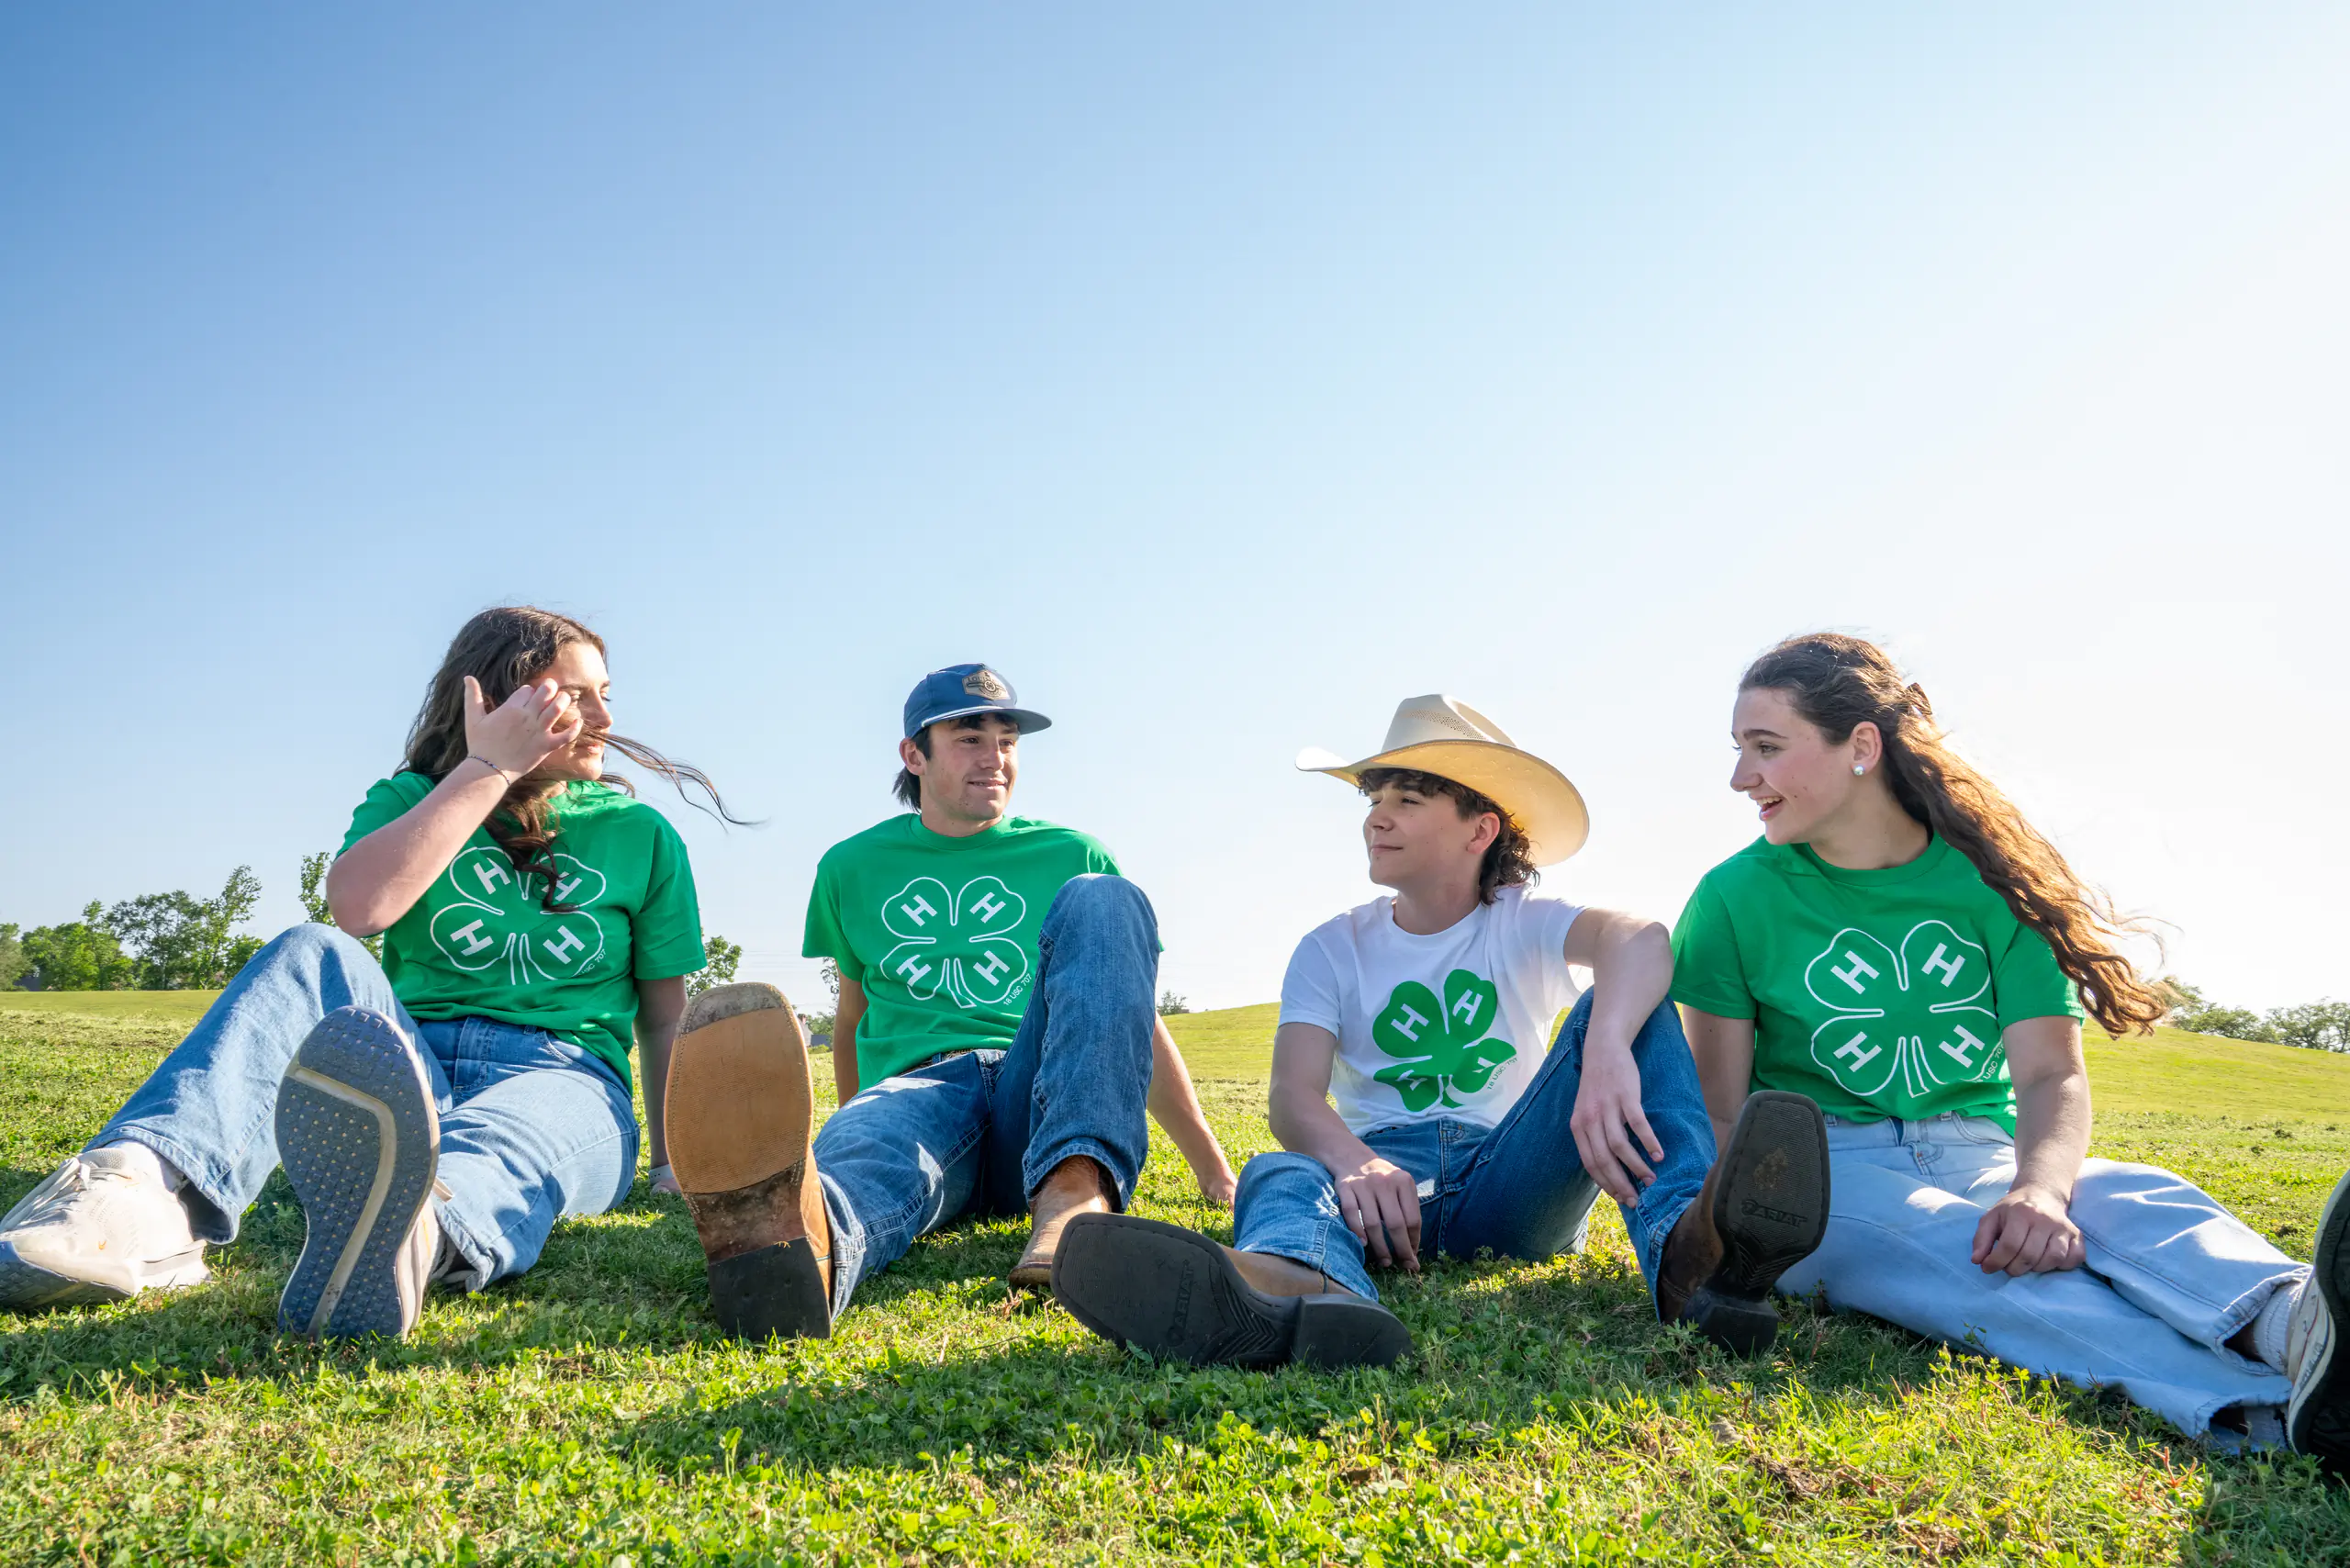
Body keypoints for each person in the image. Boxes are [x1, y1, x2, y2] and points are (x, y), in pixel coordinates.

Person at [1672, 631, 2349, 1465]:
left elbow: (2050, 1072)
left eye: (1766, 749)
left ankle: (2300, 1326)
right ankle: (2259, 1410)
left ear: (1861, 746)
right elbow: (1726, 1113)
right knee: (1959, 1254)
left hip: (1978, 1149)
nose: (1743, 779)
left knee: (2140, 1200)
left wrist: (2038, 1190)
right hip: (1818, 1174)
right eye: (1741, 752)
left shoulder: (1987, 880)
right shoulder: (1731, 898)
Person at [0, 606, 727, 1339]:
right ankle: (136, 1196)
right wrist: (489, 769)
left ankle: (416, 1233)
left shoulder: (642, 836)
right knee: (311, 950)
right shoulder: (412, 798)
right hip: (403, 1071)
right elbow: (361, 909)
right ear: (495, 702)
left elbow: (664, 1015)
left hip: (566, 1078)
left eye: (607, 693)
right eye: (574, 694)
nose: (603, 715)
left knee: (513, 1138)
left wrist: (673, 1162)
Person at [1049, 695, 1833, 1369]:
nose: (1378, 817)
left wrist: (1601, 1057)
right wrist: (1354, 1163)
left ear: (1479, 828)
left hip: (1512, 1183)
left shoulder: (1521, 923)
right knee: (1281, 1170)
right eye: (1373, 798)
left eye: (1409, 798)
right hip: (1377, 1195)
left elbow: (1640, 939)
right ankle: (1304, 1283)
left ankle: (1691, 1261)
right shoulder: (1331, 946)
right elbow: (1293, 1097)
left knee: (1628, 1012)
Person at [661, 663, 1237, 1340]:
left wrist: (1213, 1169)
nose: (995, 758)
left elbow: (1127, 1022)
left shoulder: (1072, 853)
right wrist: (857, 1119)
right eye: (970, 738)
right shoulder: (850, 866)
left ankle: (1075, 1203)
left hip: (1041, 1091)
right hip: (923, 1088)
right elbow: (853, 1013)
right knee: (873, 1152)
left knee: (1106, 897)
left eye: (1008, 741)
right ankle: (804, 1254)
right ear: (914, 754)